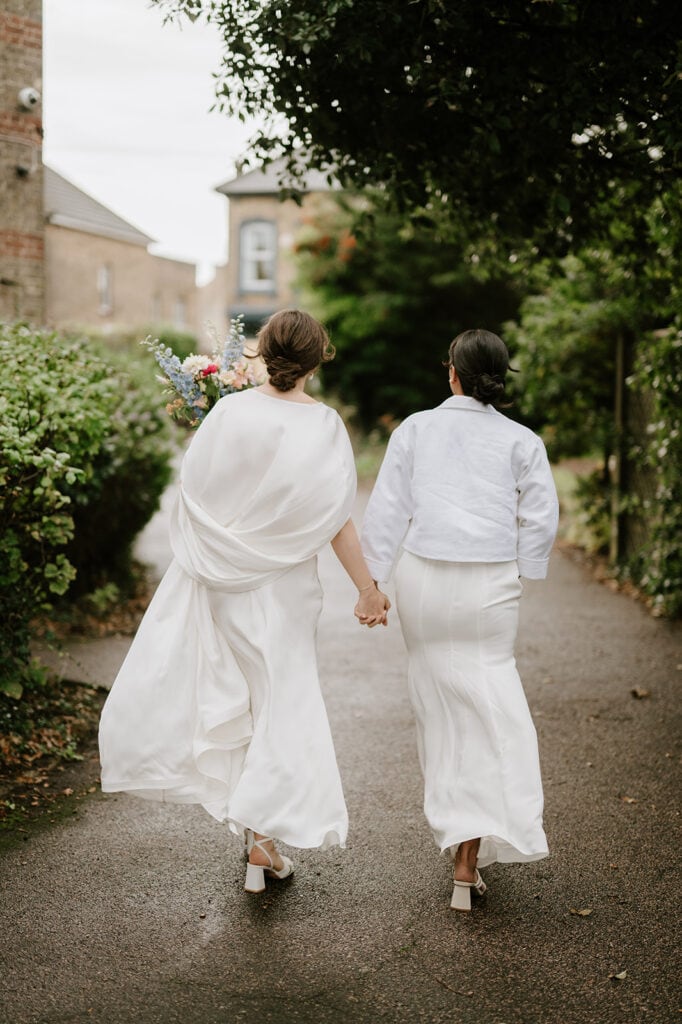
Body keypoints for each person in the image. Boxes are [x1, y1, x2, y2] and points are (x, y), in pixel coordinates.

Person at [99, 309, 389, 894]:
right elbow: (336, 519)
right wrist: (367, 587)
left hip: (228, 584)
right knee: (280, 703)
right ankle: (261, 844)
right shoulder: (327, 426)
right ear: (318, 358)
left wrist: (222, 555)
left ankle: (261, 839)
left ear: (260, 352)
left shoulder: (228, 413)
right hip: (284, 592)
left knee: (247, 702)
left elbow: (196, 498)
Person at [360, 328, 559, 911]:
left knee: (438, 707)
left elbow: (389, 508)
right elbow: (541, 518)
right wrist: (525, 569)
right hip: (490, 584)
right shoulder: (522, 441)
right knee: (490, 697)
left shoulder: (415, 429)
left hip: (423, 577)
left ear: (451, 373)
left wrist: (371, 583)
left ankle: (458, 837)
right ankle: (467, 860)